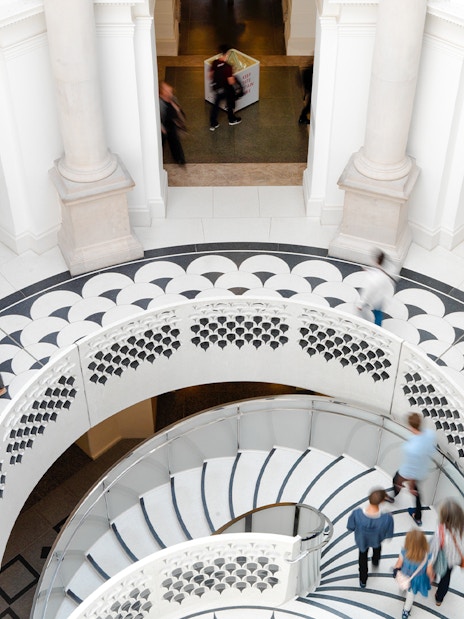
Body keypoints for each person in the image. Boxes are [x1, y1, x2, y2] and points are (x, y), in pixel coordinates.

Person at [385, 412, 436, 527]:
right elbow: (432, 450)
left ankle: (393, 497)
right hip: (423, 470)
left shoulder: (411, 447)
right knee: (417, 495)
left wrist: (411, 486)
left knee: (397, 480)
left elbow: (412, 470)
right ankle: (418, 517)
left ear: (411, 426)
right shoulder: (430, 435)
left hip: (408, 472)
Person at [347, 488, 394, 588]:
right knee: (377, 550)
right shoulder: (386, 518)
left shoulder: (357, 514)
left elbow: (350, 527)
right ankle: (375, 562)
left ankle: (363, 580)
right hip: (376, 540)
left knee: (362, 559)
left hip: (362, 542)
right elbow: (388, 534)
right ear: (381, 501)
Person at [429, 498, 464, 607]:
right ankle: (439, 599)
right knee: (446, 578)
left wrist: (430, 565)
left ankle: (433, 577)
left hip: (442, 557)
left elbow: (434, 549)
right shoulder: (461, 528)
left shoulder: (441, 530)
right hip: (454, 560)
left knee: (435, 568)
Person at [393, 529, 432, 619]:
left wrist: (395, 570)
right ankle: (406, 610)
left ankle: (402, 589)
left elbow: (398, 564)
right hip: (417, 579)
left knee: (403, 583)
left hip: (404, 575)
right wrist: (430, 578)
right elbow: (429, 570)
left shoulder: (404, 552)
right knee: (410, 596)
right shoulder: (427, 555)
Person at [357, 249, 396, 326]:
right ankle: (377, 329)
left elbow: (368, 291)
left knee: (362, 311)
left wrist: (360, 303)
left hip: (373, 298)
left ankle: (370, 327)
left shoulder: (373, 278)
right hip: (381, 298)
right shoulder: (386, 273)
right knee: (378, 314)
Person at [209, 44, 242, 130]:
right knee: (230, 102)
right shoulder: (228, 67)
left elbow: (210, 75)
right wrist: (235, 79)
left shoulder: (215, 62)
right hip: (225, 89)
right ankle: (231, 119)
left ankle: (213, 123)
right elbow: (230, 81)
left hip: (217, 88)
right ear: (226, 54)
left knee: (216, 105)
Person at [159, 81, 186, 165]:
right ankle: (158, 160)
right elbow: (157, 117)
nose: (170, 92)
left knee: (174, 141)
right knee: (161, 143)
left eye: (170, 90)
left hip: (171, 123)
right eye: (167, 90)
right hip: (163, 125)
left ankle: (179, 159)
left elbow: (178, 110)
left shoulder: (173, 98)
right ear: (162, 92)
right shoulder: (159, 103)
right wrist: (161, 128)